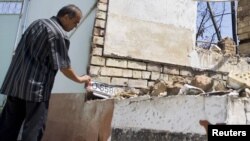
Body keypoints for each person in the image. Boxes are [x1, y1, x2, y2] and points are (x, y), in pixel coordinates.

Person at [0, 4, 91, 141]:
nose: (76, 26)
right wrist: (81, 79)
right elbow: (64, 66)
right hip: (36, 90)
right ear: (66, 17)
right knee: (33, 130)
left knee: (8, 127)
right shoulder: (58, 34)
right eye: (75, 22)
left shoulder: (36, 24)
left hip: (15, 84)